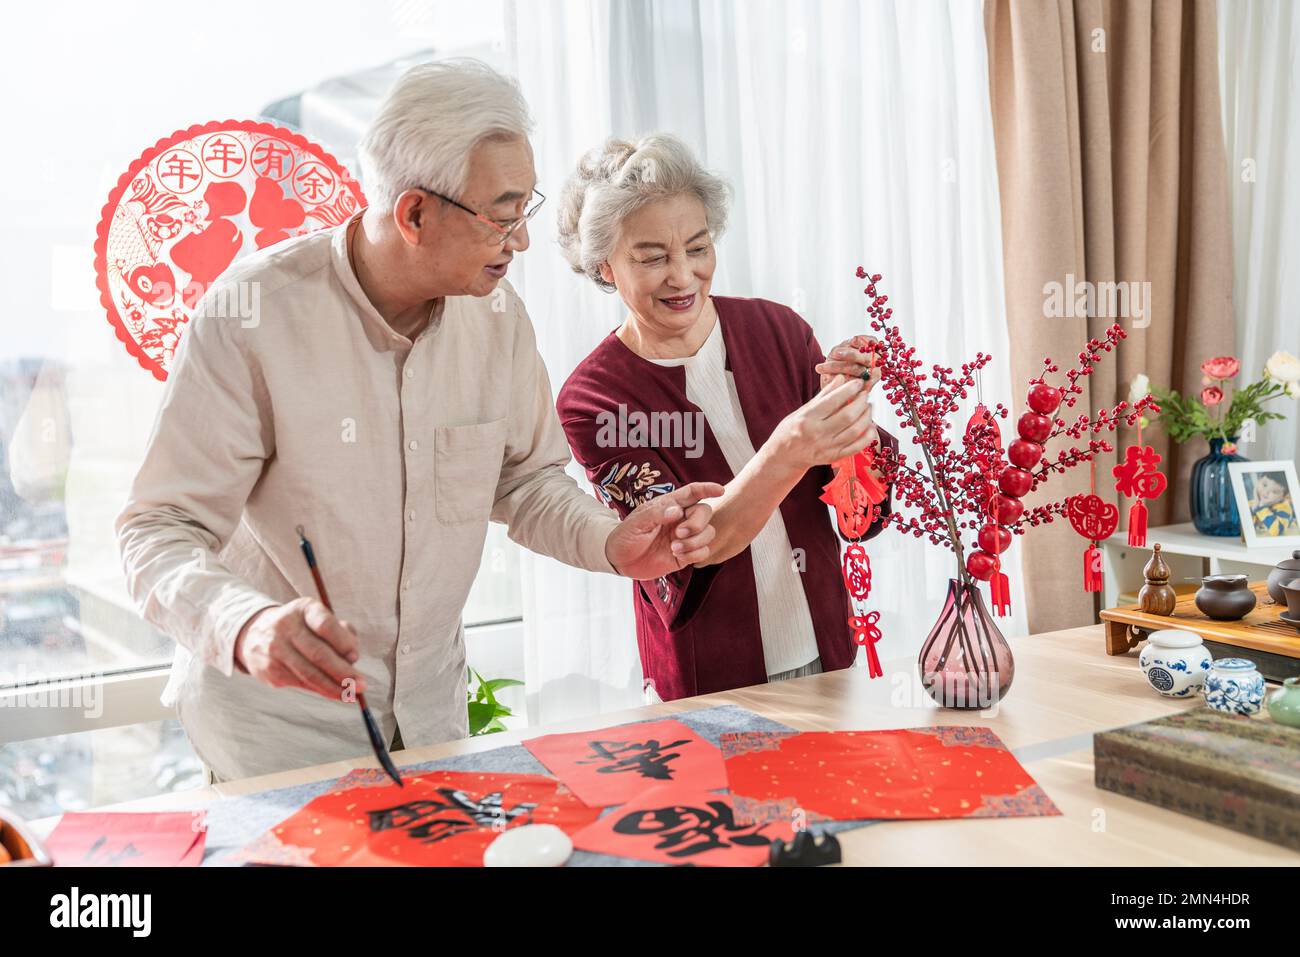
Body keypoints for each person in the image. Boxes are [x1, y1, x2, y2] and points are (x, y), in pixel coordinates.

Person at [115, 62, 721, 782]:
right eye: (501, 215)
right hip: (278, 736)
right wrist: (244, 626)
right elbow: (155, 531)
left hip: (432, 722)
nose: (521, 241)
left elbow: (525, 481)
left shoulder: (497, 319)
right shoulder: (254, 318)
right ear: (413, 214)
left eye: (524, 206)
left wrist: (608, 540)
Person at [555, 133, 894, 702]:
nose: (683, 276)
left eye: (698, 247)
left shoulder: (779, 331)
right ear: (604, 266)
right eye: (652, 257)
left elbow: (857, 513)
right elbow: (688, 545)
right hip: (709, 679)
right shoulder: (595, 398)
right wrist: (792, 446)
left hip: (827, 652)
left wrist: (845, 424)